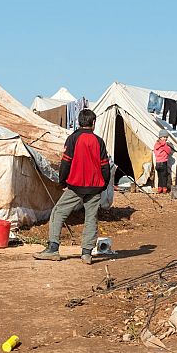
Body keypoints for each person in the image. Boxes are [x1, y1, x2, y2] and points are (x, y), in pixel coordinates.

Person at [34, 109, 110, 264]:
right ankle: (86, 254)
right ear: (93, 123)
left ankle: (53, 248)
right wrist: (104, 184)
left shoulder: (73, 139)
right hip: (95, 186)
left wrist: (62, 181)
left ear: (79, 122)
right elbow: (105, 166)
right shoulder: (99, 141)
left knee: (58, 212)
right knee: (91, 218)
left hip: (76, 185)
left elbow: (66, 162)